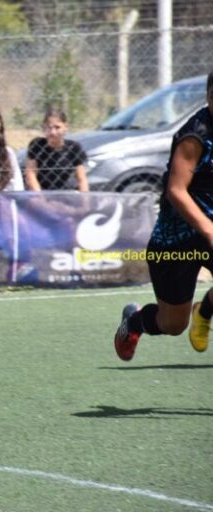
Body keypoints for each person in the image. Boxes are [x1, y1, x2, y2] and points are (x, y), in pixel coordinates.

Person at [114, 71, 213, 361]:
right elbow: (176, 191)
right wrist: (208, 230)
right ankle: (135, 322)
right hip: (177, 241)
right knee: (173, 324)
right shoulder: (196, 136)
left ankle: (205, 312)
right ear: (210, 97)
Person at [24, 108, 89, 192]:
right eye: (49, 127)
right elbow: (31, 175)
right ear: (44, 127)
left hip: (66, 194)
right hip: (42, 193)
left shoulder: (74, 147)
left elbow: (82, 179)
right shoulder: (37, 145)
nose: (52, 132)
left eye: (57, 127)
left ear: (66, 127)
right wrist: (40, 198)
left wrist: (85, 202)